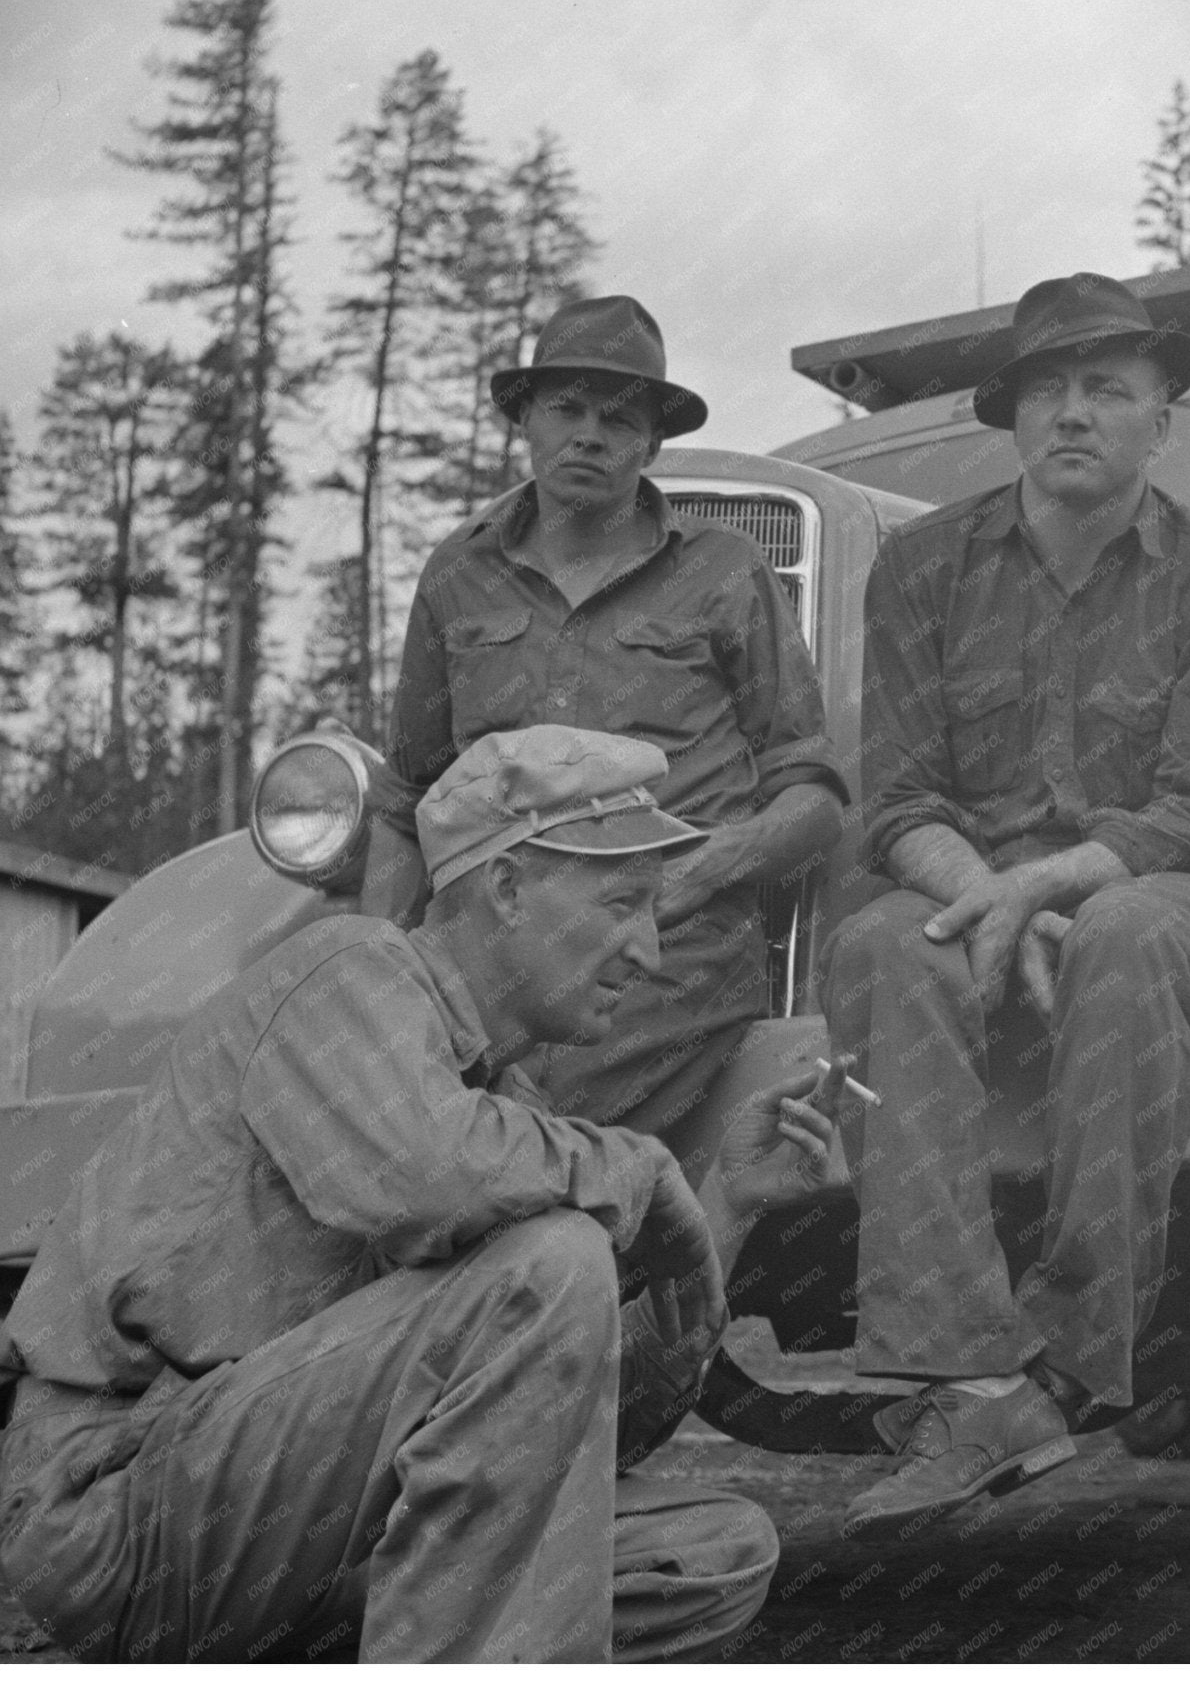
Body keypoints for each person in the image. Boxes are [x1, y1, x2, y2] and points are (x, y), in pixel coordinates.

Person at [0, 727, 851, 1663]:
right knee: (551, 1262)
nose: (648, 951)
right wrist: (640, 1175)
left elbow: (586, 1429)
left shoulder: (491, 1099)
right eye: (621, 904)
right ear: (508, 888)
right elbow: (430, 1178)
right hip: (121, 1503)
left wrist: (724, 1204)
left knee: (711, 1551)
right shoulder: (348, 971)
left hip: (286, 1514)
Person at [824, 271, 1190, 1538]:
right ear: (1013, 416)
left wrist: (1035, 889)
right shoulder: (920, 565)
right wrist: (987, 900)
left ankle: (1074, 1363)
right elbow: (898, 799)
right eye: (1047, 389)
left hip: (1150, 887)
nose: (1072, 412)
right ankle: (965, 1373)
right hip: (963, 893)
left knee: (1127, 939)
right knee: (884, 946)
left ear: (1159, 418)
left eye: (1105, 389)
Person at [362, 294, 849, 1143]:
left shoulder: (728, 574)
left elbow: (813, 804)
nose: (589, 434)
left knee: (508, 1132)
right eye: (567, 409)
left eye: (619, 419)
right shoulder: (456, 576)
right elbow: (408, 806)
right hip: (493, 948)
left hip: (658, 953)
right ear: (525, 421)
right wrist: (370, 983)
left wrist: (695, 876)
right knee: (349, 1093)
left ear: (653, 443)